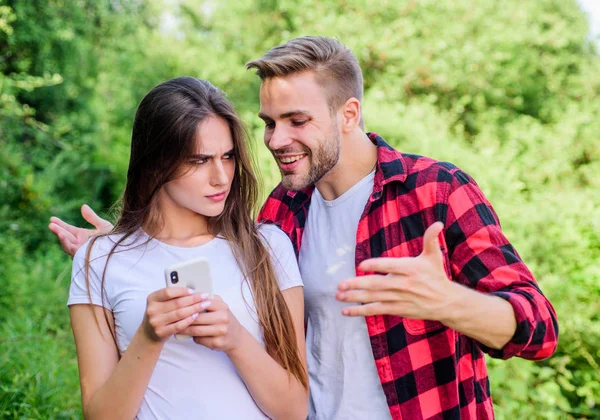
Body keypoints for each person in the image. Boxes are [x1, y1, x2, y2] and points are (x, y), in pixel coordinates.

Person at [50, 37, 559, 419]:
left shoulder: (435, 192)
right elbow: (198, 238)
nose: (276, 139)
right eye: (269, 122)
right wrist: (119, 247)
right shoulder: (282, 212)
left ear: (348, 114)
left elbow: (540, 328)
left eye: (296, 120)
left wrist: (446, 301)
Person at [61, 76, 308, 419]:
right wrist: (148, 336)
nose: (221, 177)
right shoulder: (99, 260)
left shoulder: (267, 247)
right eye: (199, 160)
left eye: (228, 156)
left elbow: (294, 409)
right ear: (156, 162)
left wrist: (235, 338)